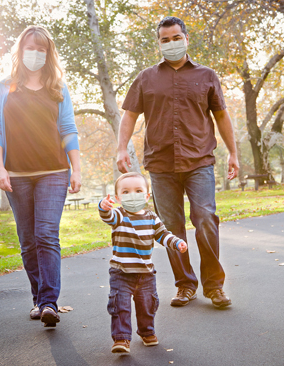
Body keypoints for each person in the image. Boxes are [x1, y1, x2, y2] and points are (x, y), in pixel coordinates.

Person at [116, 16, 239, 309]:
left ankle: (214, 286)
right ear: (158, 43)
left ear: (185, 38)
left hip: (199, 161)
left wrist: (233, 153)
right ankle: (185, 285)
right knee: (171, 228)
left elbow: (221, 115)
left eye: (175, 38)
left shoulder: (207, 75)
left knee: (205, 219)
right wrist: (122, 148)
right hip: (160, 165)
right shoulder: (146, 78)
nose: (170, 43)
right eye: (164, 39)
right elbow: (130, 115)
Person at [0, 25, 81, 327]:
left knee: (45, 234)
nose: (36, 54)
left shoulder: (58, 88)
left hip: (54, 171)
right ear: (20, 50)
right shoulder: (5, 87)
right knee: (28, 240)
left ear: (48, 53)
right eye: (31, 48)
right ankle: (38, 299)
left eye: (42, 50)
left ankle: (49, 302)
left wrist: (76, 168)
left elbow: (68, 130)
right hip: (16, 174)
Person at [99, 172, 188, 353]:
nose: (132, 195)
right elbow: (107, 216)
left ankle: (147, 331)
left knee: (147, 305)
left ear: (147, 195)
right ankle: (122, 339)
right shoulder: (119, 215)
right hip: (121, 273)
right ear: (118, 197)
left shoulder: (151, 217)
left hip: (145, 273)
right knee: (120, 306)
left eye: (138, 190)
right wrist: (103, 207)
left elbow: (163, 235)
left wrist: (176, 242)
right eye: (126, 192)